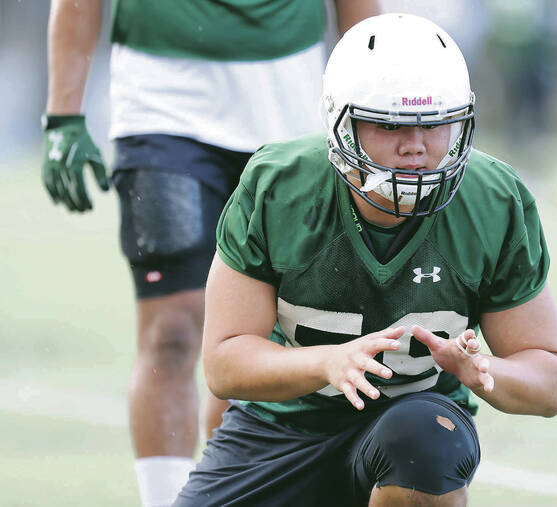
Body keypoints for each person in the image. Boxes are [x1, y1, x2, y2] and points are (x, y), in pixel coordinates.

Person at [176, 13, 557, 507]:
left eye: (437, 124)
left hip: (410, 433)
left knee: (428, 439)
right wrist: (328, 362)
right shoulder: (280, 186)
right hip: (282, 428)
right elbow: (225, 362)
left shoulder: (492, 200)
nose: (417, 147)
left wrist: (486, 371)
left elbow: (550, 381)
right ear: (341, 121)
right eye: (389, 124)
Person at [41, 1, 379, 505]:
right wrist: (63, 115)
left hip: (290, 109)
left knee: (270, 338)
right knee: (171, 330)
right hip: (161, 106)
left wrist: (374, 101)